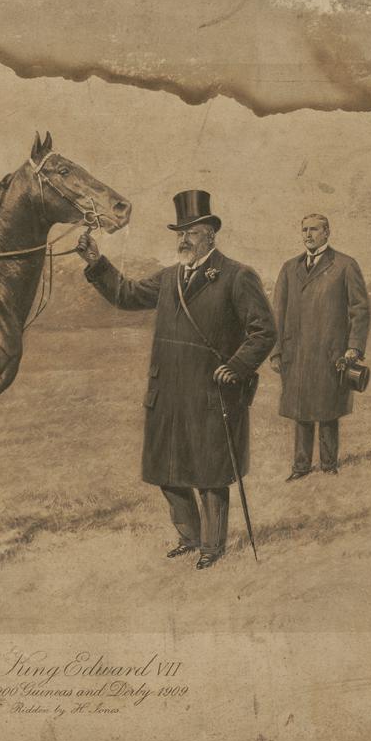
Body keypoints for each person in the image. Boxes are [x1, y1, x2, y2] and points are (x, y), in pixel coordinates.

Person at [77, 190, 275, 569]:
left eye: (193, 232)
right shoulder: (169, 278)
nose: (184, 240)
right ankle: (189, 537)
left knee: (210, 474)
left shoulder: (237, 276)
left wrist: (237, 365)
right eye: (180, 233)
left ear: (212, 236)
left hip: (210, 393)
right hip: (167, 392)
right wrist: (97, 263)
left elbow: (263, 331)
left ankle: (212, 547)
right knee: (167, 471)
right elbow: (128, 295)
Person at [270, 213, 370, 479]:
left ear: (327, 232)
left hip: (331, 354)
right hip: (296, 354)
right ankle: (300, 467)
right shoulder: (289, 268)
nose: (308, 235)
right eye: (304, 230)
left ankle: (328, 466)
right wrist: (276, 351)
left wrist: (354, 348)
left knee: (328, 411)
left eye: (314, 229)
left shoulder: (345, 265)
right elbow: (277, 313)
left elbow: (360, 310)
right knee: (301, 411)